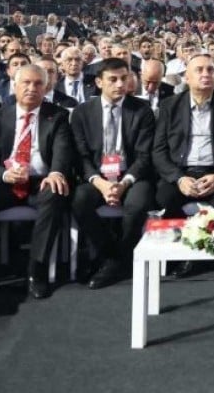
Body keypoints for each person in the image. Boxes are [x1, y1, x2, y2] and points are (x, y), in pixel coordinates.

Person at [0, 64, 74, 299]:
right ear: (14, 85)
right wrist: (4, 175)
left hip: (41, 179)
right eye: (26, 82)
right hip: (7, 180)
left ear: (46, 88)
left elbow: (62, 151)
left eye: (38, 84)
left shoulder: (57, 116)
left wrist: (56, 172)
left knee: (55, 192)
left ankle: (37, 271)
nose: (32, 88)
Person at [152, 53, 214, 275]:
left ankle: (205, 257)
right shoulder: (169, 106)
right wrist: (179, 178)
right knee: (163, 199)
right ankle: (180, 254)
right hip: (181, 173)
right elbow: (159, 151)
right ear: (186, 78)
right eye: (199, 70)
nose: (206, 74)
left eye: (210, 70)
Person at [69, 57, 157, 290]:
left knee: (138, 204)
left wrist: (124, 183)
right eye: (113, 79)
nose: (120, 84)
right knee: (79, 200)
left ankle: (117, 259)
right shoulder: (82, 112)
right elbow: (81, 157)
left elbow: (144, 156)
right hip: (97, 176)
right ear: (99, 82)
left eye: (124, 78)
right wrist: (101, 184)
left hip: (132, 175)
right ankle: (114, 257)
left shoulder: (142, 110)